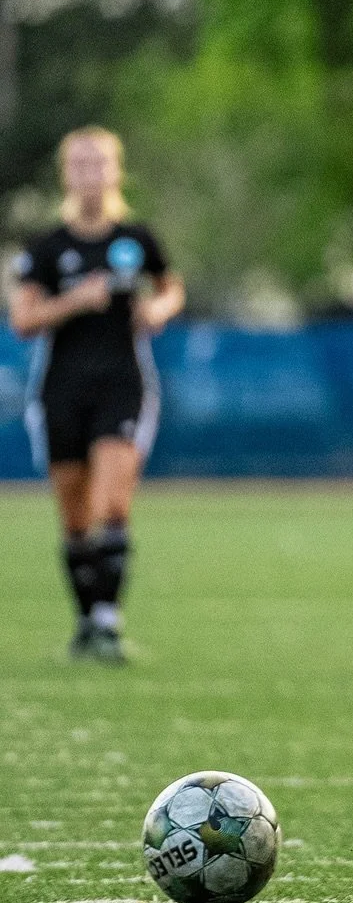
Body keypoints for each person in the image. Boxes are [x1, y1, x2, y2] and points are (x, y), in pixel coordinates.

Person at [8, 128, 185, 661]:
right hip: (61, 389)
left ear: (116, 171)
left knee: (113, 503)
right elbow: (23, 319)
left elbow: (171, 287)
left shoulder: (136, 240)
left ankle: (108, 621)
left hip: (122, 385)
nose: (91, 173)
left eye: (100, 163)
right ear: (67, 174)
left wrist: (158, 310)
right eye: (81, 164)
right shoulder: (46, 249)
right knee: (74, 515)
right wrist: (75, 301)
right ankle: (86, 622)